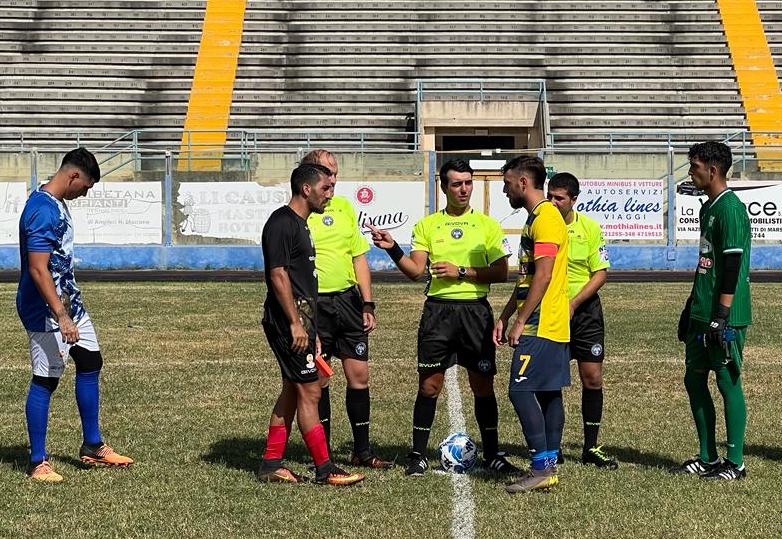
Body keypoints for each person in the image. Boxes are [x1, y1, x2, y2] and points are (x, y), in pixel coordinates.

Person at [369, 159, 516, 476]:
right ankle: (418, 456)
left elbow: (502, 272)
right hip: (438, 312)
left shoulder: (488, 226)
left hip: (476, 313)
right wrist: (393, 249)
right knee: (429, 387)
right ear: (444, 186)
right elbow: (415, 271)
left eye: (468, 182)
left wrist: (460, 271)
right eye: (456, 183)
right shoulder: (427, 225)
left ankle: (492, 453)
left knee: (483, 385)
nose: (464, 189)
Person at [17, 148, 134, 483]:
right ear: (73, 176)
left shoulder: (55, 203)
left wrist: (70, 310)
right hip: (45, 309)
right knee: (46, 378)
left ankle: (93, 445)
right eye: (86, 187)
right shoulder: (41, 209)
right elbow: (38, 271)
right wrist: (60, 315)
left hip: (70, 304)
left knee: (90, 361)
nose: (84, 194)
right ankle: (38, 461)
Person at [257, 163, 364, 486]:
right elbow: (278, 276)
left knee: (293, 388)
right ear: (306, 189)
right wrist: (295, 324)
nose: (329, 195)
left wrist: (310, 328)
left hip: (303, 321)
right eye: (325, 189)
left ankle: (271, 462)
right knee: (310, 392)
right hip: (287, 322)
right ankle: (325, 467)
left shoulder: (302, 224)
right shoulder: (281, 223)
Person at [301, 150, 390, 469]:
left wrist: (367, 302)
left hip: (348, 303)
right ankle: (321, 454)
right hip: (315, 307)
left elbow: (358, 257)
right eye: (328, 173)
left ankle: (362, 451)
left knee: (359, 376)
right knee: (319, 381)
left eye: (336, 173)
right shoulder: (298, 212)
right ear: (309, 176)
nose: (334, 180)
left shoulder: (344, 207)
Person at [670, 141, 751, 481]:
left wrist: (721, 313)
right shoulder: (708, 208)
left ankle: (736, 462)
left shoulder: (730, 209)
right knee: (694, 379)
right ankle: (708, 457)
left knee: (727, 380)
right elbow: (707, 264)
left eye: (695, 167)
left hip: (725, 315)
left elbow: (732, 265)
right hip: (703, 312)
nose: (691, 173)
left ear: (713, 170)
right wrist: (692, 307)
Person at [494, 156, 570, 494]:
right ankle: (549, 466)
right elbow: (527, 278)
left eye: (508, 182)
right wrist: (507, 312)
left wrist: (521, 320)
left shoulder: (546, 219)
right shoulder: (538, 218)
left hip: (541, 323)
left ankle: (540, 466)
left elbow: (544, 274)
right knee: (549, 392)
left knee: (520, 390)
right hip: (547, 320)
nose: (505, 188)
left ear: (523, 183)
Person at [546, 173, 618, 469]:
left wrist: (574, 304)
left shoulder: (589, 228)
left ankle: (591, 447)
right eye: (550, 195)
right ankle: (553, 447)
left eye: (559, 198)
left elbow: (600, 273)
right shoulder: (541, 226)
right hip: (552, 313)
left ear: (573, 200)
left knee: (592, 378)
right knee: (552, 381)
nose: (552, 202)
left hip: (584, 313)